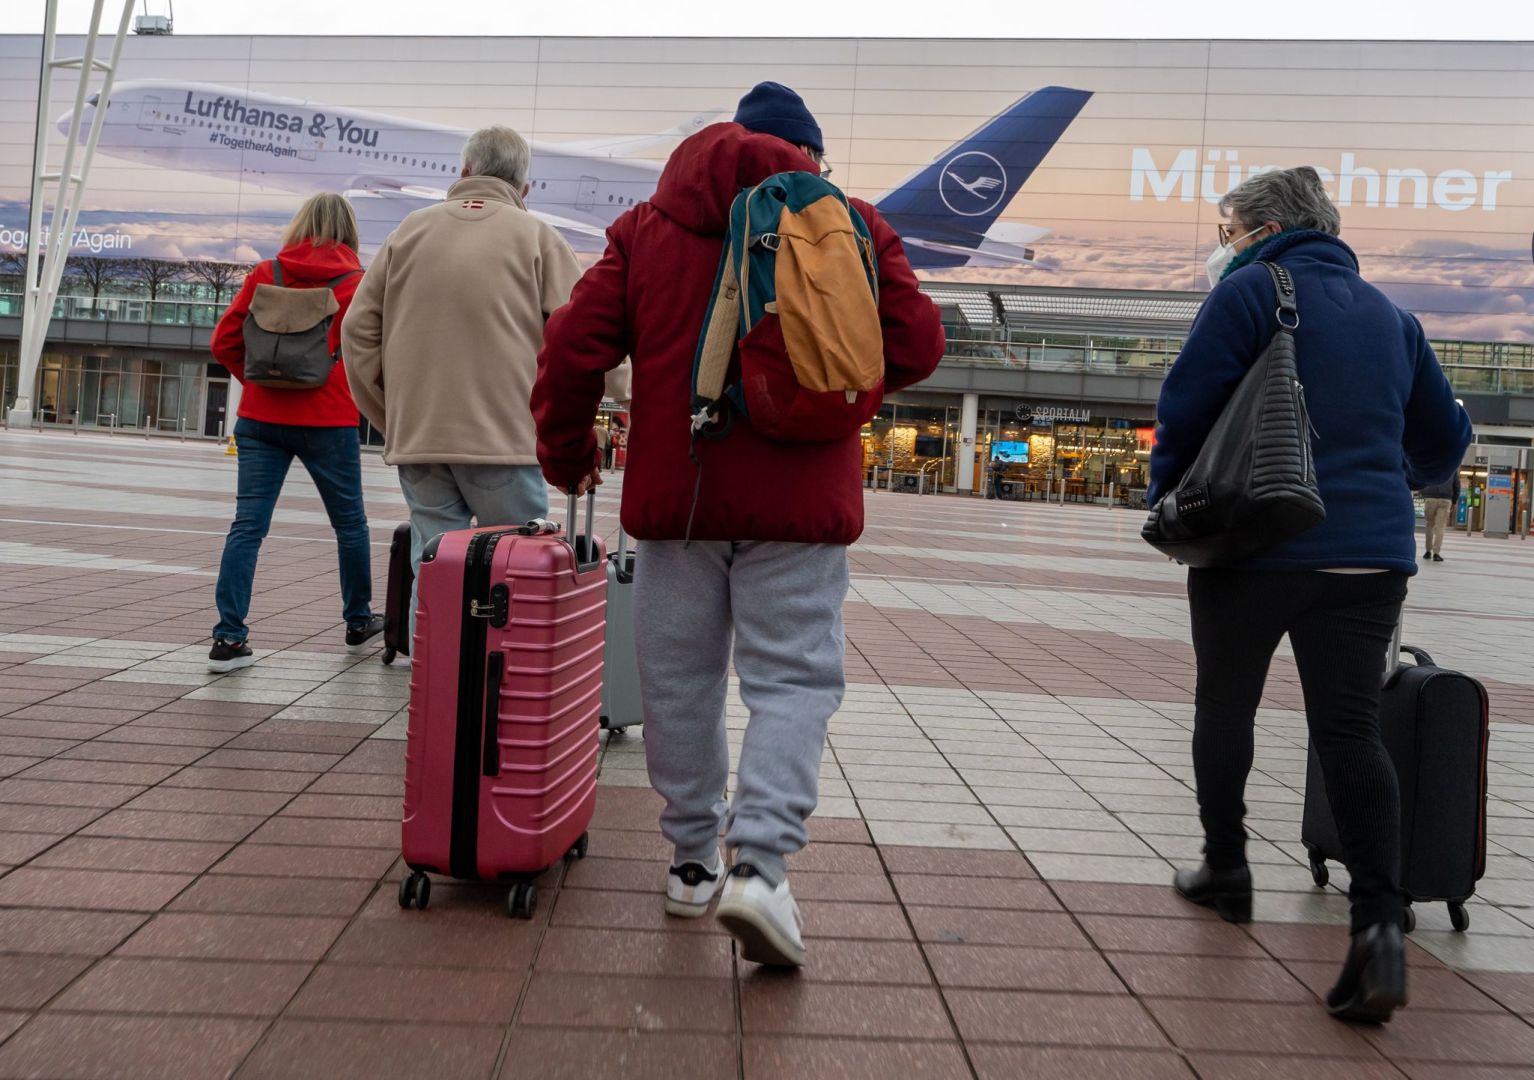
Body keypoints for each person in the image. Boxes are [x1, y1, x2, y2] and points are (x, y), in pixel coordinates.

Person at [532, 82, 944, 968]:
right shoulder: (853, 222)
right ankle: (761, 863)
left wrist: (566, 456)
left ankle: (690, 864)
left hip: (678, 498)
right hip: (802, 501)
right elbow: (916, 344)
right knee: (793, 680)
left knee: (678, 681)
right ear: (811, 156)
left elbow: (572, 349)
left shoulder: (649, 225)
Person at [1149, 166, 1471, 1024]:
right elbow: (1448, 436)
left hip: (1254, 546)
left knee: (1227, 707)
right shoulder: (1391, 317)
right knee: (1351, 731)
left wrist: (1166, 499)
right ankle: (1379, 929)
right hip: (1368, 559)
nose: (1223, 247)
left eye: (1226, 231)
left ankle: (1227, 867)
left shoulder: (1252, 294)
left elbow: (1186, 404)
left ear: (1259, 228)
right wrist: (1386, 482)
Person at [341, 125, 582, 621]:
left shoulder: (408, 231)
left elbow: (357, 332)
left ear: (464, 171)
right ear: (525, 189)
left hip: (422, 437)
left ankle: (431, 687)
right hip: (506, 441)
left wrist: (391, 416)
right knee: (516, 570)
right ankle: (504, 688)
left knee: (433, 567)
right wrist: (621, 399)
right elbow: (578, 337)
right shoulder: (539, 238)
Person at [207, 193, 382, 673]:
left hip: (261, 422)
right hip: (329, 421)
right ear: (349, 230)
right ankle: (357, 621)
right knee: (350, 527)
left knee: (247, 527)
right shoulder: (358, 283)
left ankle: (229, 639)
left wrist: (262, 384)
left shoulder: (267, 273)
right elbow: (374, 355)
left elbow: (223, 341)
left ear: (300, 224)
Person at [1421, 471, 1461, 562]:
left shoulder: (1430, 464)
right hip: (1445, 499)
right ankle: (1436, 553)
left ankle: (1428, 551)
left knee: (1429, 525)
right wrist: (1454, 501)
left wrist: (1425, 493)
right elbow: (1457, 485)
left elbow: (1422, 479)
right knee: (1440, 526)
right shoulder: (1452, 468)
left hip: (1430, 498)